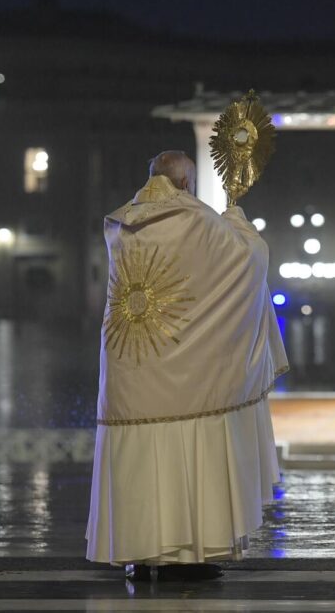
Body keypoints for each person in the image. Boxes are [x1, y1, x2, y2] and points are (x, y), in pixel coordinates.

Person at [85, 150, 288, 582]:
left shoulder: (120, 225)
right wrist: (236, 216)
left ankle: (138, 556)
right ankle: (188, 556)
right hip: (187, 375)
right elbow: (247, 260)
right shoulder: (195, 219)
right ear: (185, 183)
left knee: (137, 461)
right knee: (190, 452)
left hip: (130, 369)